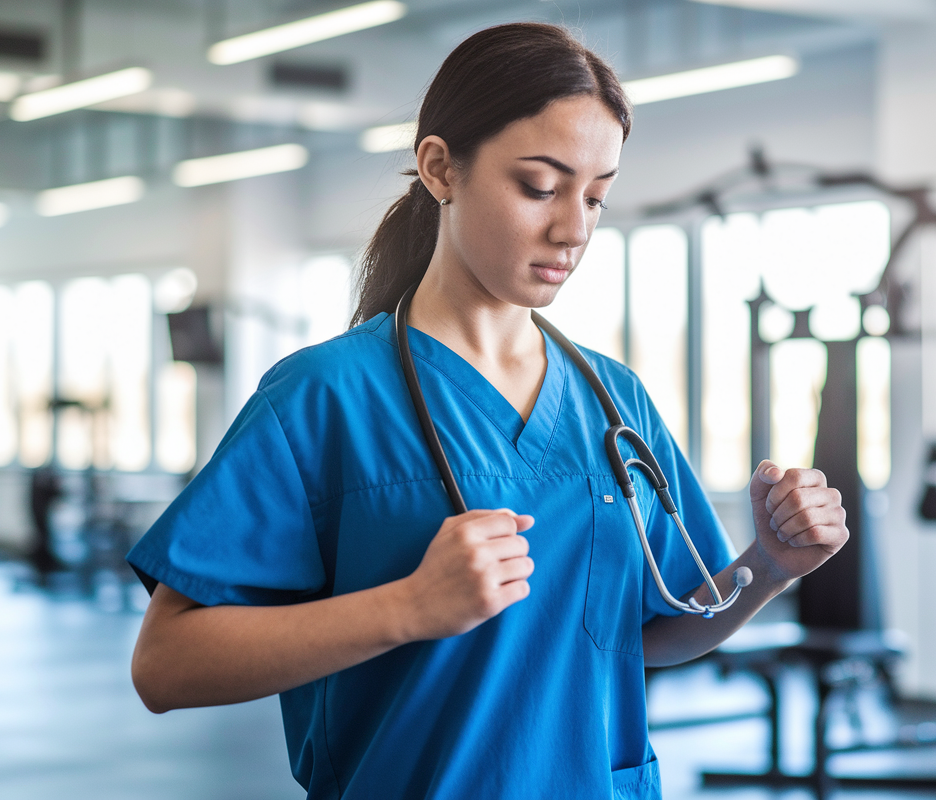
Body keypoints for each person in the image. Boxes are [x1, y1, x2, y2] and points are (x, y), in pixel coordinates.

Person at [128, 22, 848, 800]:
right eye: (540, 187)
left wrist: (768, 567)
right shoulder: (324, 398)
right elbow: (166, 664)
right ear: (441, 168)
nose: (573, 229)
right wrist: (406, 607)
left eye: (597, 197)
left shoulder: (613, 399)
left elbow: (653, 636)